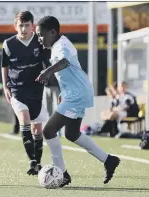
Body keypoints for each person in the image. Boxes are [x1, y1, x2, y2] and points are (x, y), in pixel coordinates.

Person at [35, 15, 120, 187]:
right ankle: (108, 160)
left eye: (41, 35)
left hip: (77, 95)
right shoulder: (58, 44)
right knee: (71, 134)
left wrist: (47, 72)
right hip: (74, 93)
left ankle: (62, 173)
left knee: (49, 131)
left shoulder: (62, 45)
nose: (39, 39)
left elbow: (64, 62)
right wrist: (63, 92)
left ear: (52, 32)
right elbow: (68, 72)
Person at [1, 11, 49, 175]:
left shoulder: (40, 41)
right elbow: (4, 66)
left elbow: (47, 62)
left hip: (36, 89)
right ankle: (32, 161)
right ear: (15, 26)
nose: (23, 28)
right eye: (20, 25)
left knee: (37, 129)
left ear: (32, 26)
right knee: (25, 119)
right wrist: (6, 86)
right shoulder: (8, 44)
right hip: (17, 89)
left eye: (26, 25)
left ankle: (38, 163)